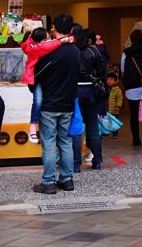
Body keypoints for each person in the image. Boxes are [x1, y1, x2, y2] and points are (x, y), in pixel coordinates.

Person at [32, 13, 81, 194]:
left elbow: (37, 75)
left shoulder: (49, 49)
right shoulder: (75, 51)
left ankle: (48, 182)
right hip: (68, 103)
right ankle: (67, 180)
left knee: (49, 143)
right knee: (66, 141)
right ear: (70, 29)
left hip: (50, 103)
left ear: (53, 28)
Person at [20, 27, 71, 143]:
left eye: (50, 38)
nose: (49, 40)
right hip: (37, 79)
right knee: (38, 100)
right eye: (47, 39)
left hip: (47, 79)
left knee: (44, 102)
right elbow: (45, 47)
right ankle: (33, 126)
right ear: (39, 40)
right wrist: (60, 41)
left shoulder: (41, 46)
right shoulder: (33, 48)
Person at [71, 24, 106, 172]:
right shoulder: (93, 51)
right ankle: (97, 161)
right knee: (93, 127)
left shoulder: (70, 51)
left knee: (76, 129)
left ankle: (76, 164)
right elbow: (101, 71)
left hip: (75, 93)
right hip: (91, 92)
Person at [121, 29, 142, 147]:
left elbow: (123, 69)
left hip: (131, 87)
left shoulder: (126, 53)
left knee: (134, 114)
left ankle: (136, 140)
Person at [106, 72, 124, 139]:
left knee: (114, 122)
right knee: (106, 122)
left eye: (111, 80)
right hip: (107, 109)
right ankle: (105, 133)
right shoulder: (106, 89)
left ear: (116, 81)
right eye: (107, 80)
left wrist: (118, 106)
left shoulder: (117, 90)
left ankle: (115, 133)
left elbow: (120, 98)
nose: (109, 81)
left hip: (114, 109)